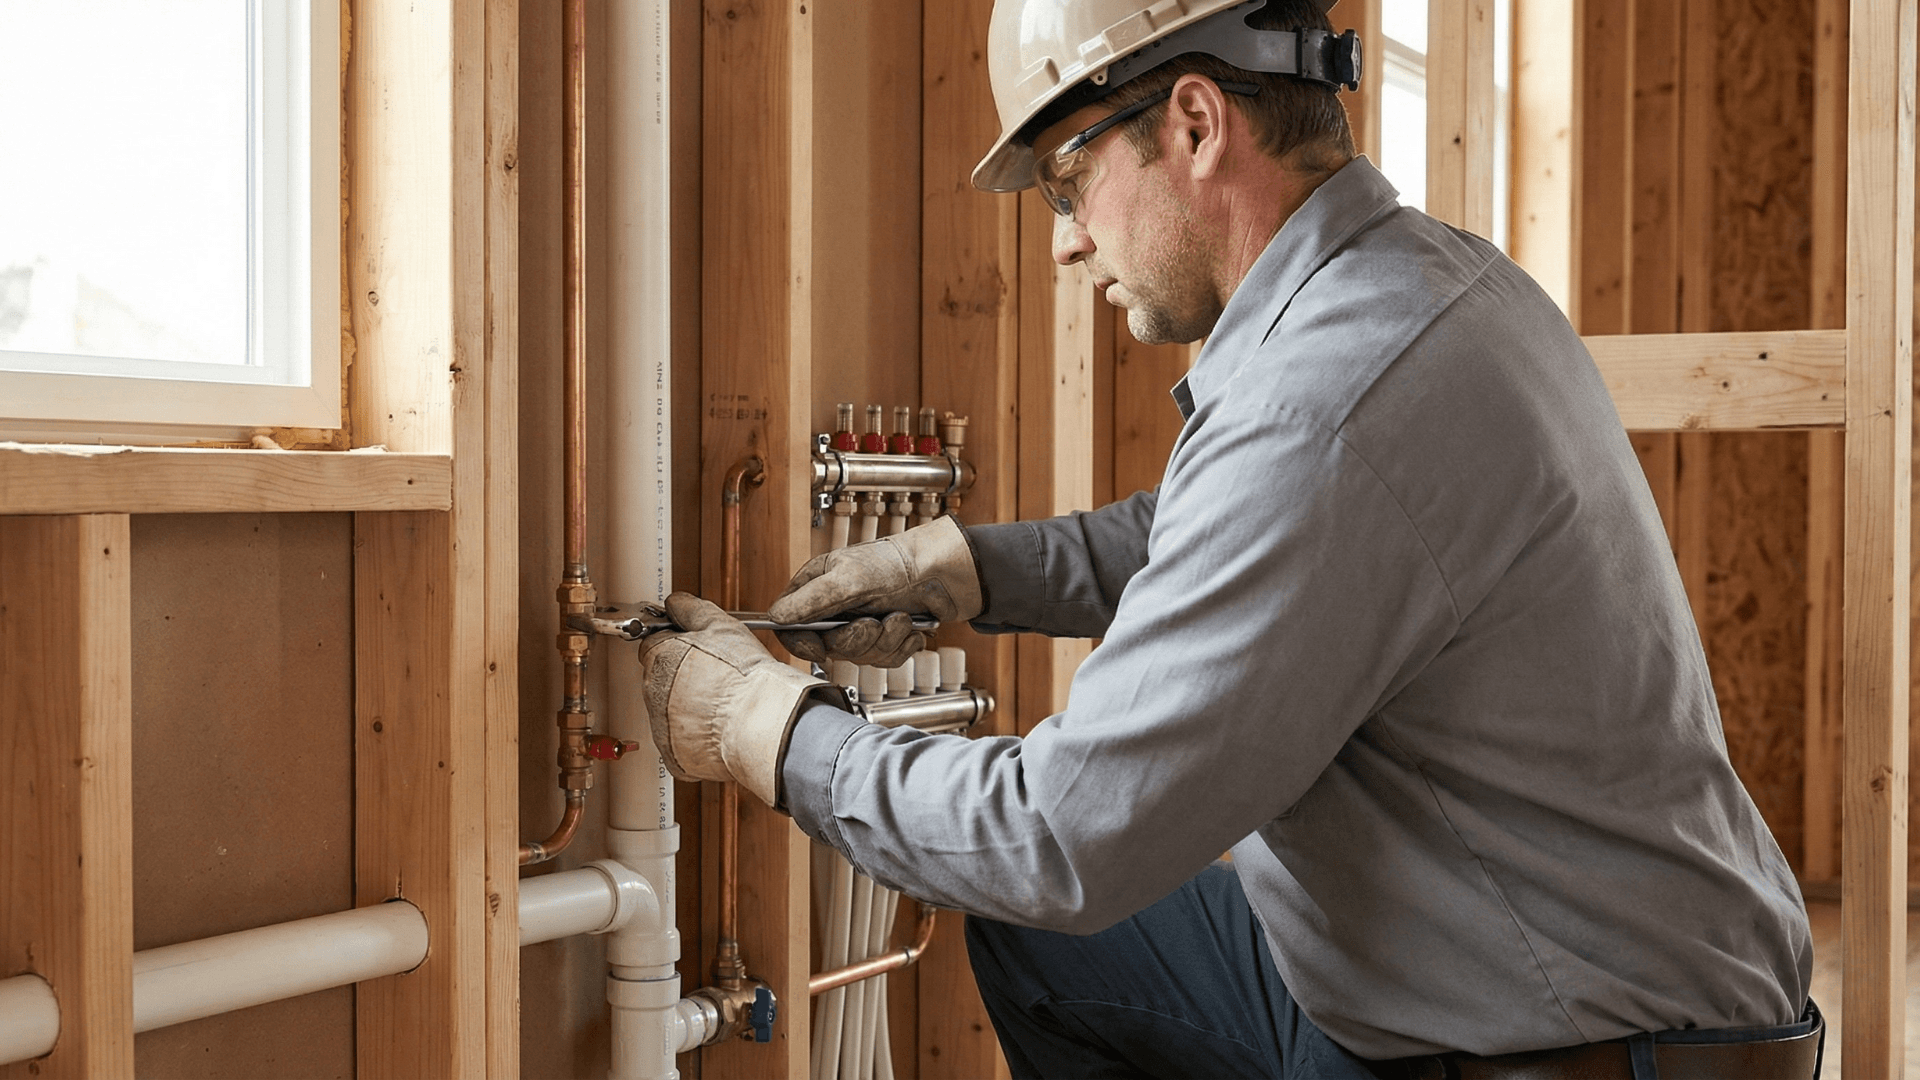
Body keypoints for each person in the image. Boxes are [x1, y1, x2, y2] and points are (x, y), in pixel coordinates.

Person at [636, 1, 1821, 1076]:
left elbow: (1059, 838)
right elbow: (1243, 539)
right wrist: (971, 570)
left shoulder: (1331, 397)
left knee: (1048, 896)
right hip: (1549, 984)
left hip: (1579, 1052)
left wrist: (770, 730)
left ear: (1196, 122)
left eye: (1067, 179)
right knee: (1064, 953)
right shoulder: (1427, 287)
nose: (1062, 240)